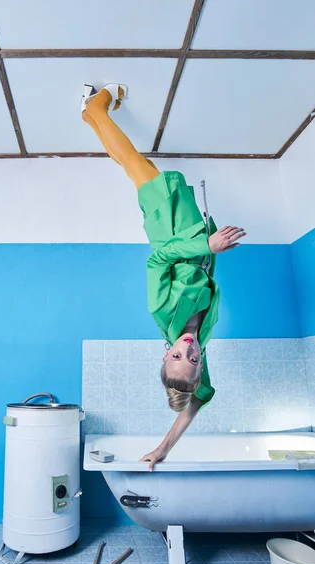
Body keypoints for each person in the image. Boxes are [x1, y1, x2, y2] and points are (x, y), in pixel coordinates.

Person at [81, 83, 246, 471]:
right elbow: (197, 401)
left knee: (134, 163)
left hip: (172, 228)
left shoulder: (163, 312)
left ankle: (97, 105)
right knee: (134, 166)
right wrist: (164, 449)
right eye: (192, 358)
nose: (187, 348)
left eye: (177, 355)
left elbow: (156, 261)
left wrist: (208, 245)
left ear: (165, 353)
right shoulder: (199, 339)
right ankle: (91, 115)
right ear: (200, 364)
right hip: (192, 233)